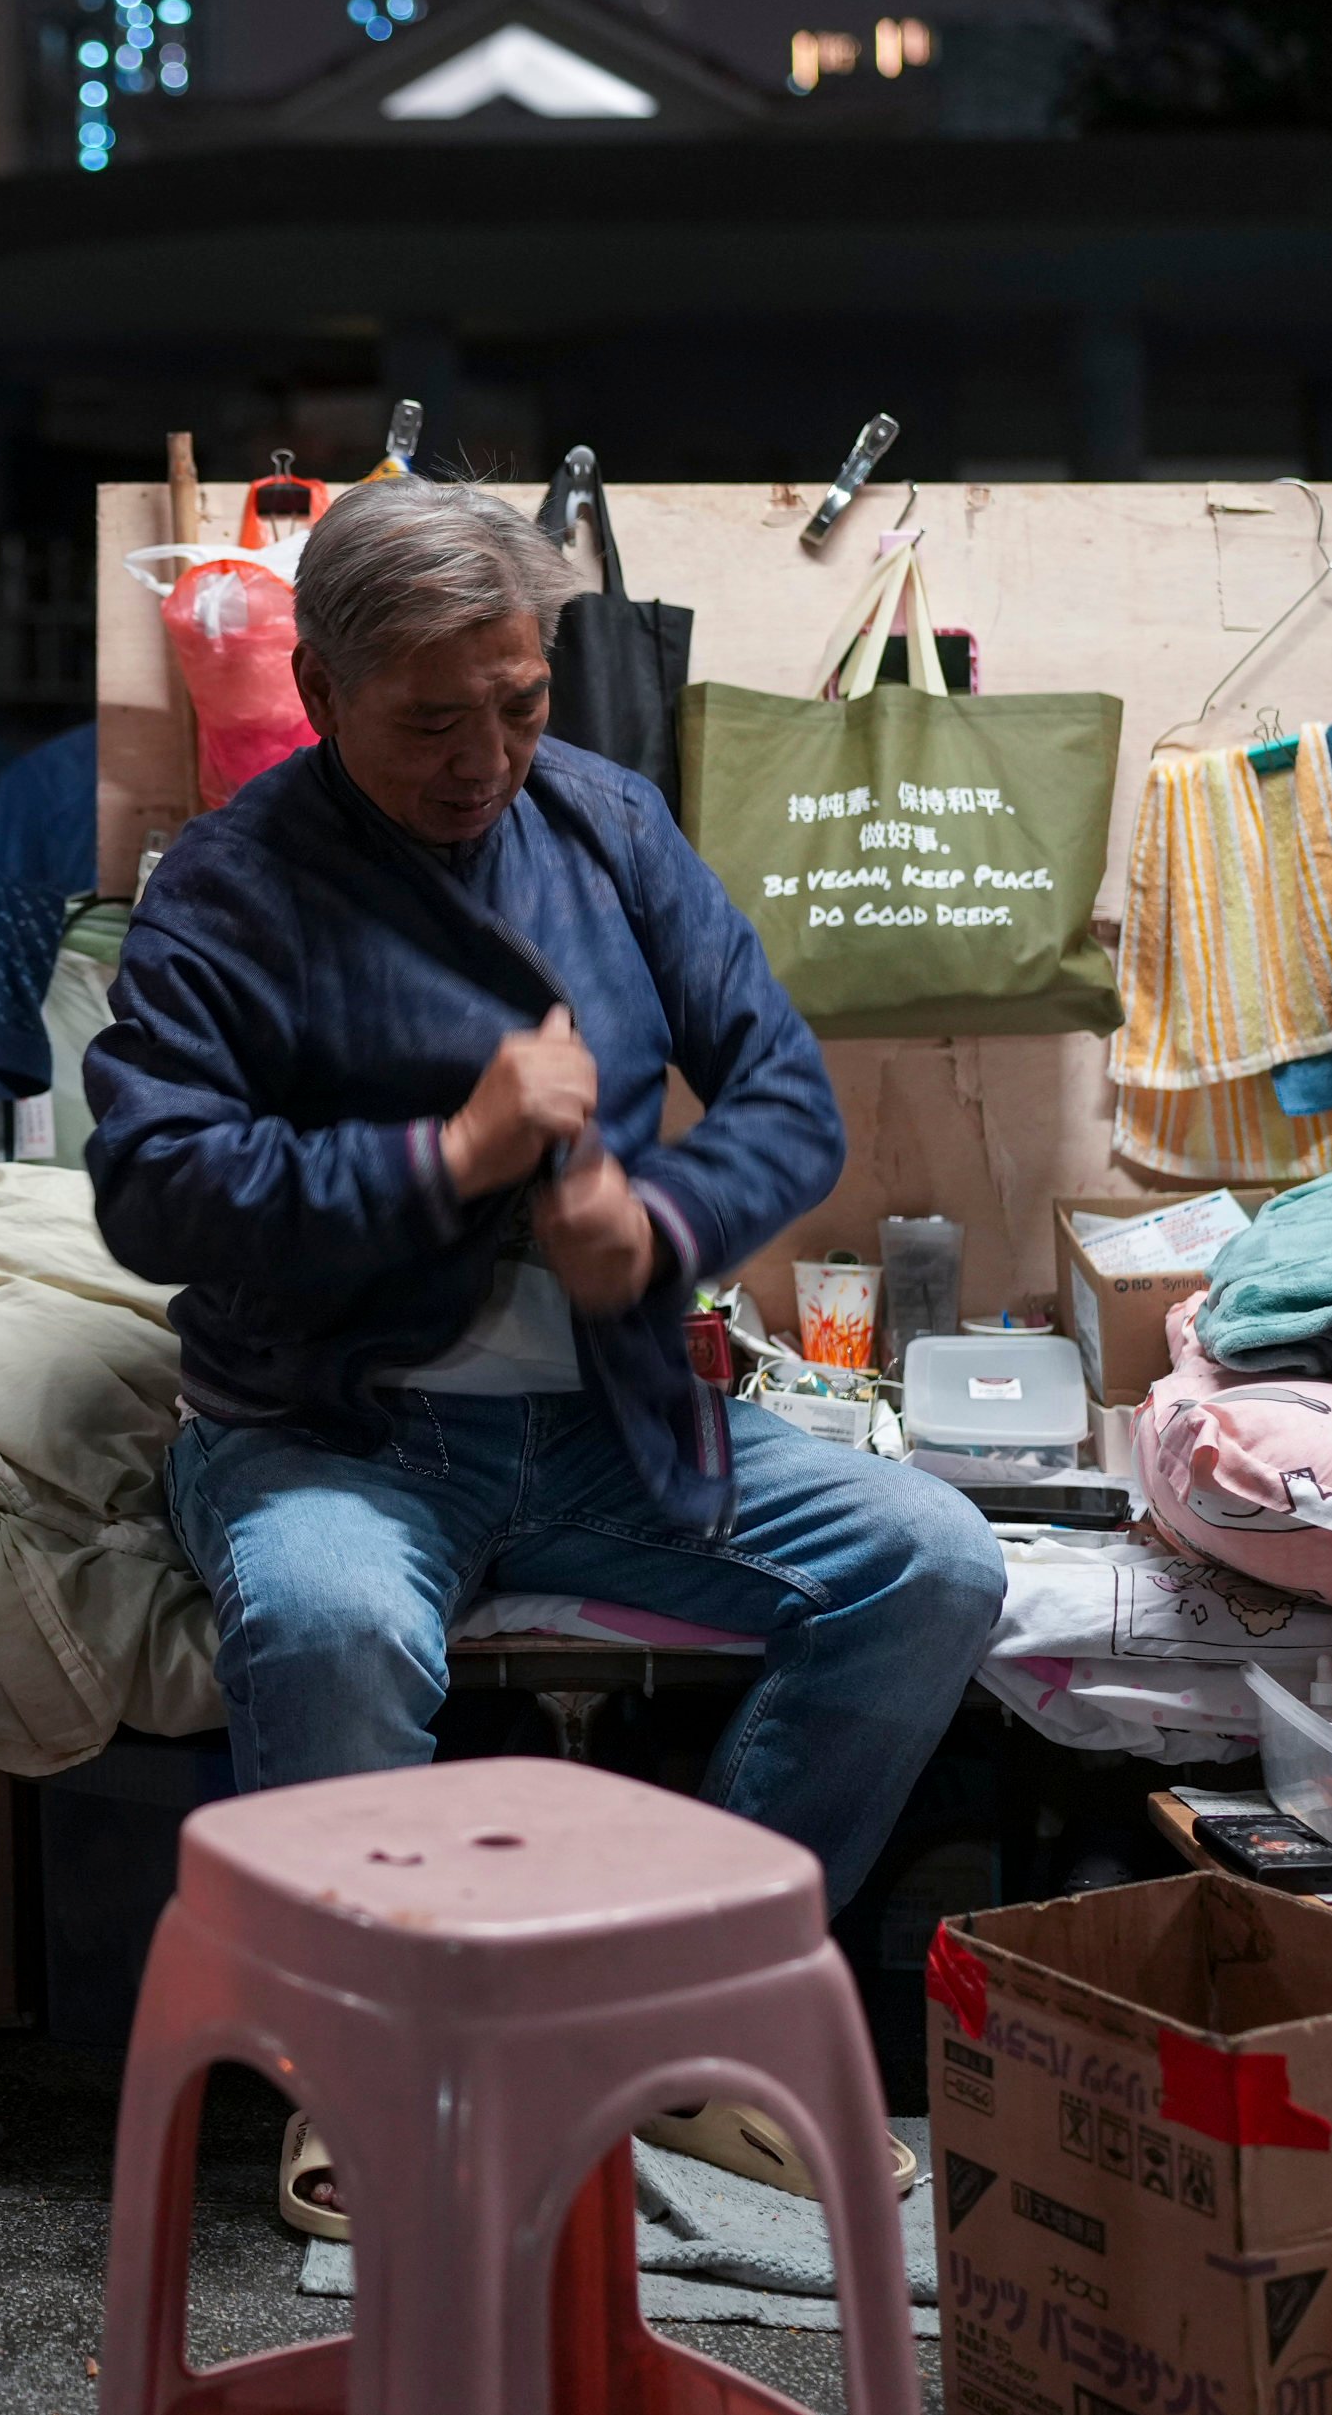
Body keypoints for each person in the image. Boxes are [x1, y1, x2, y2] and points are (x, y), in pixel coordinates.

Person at [84, 476, 1005, 1903]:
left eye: (518, 703)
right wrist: (447, 1156)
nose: (487, 758)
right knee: (333, 1628)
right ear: (322, 689)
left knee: (933, 1562)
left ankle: (700, 1997)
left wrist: (656, 1223)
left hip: (604, 1422)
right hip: (332, 1427)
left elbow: (783, 1094)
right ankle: (365, 2086)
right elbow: (154, 1190)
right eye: (432, 720)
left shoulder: (610, 825)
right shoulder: (228, 882)